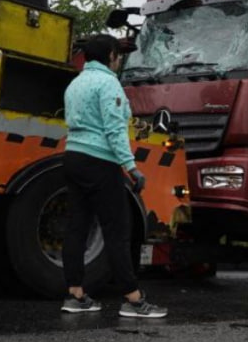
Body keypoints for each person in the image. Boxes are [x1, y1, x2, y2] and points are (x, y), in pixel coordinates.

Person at [59, 34, 167, 318]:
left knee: (76, 228)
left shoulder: (75, 83)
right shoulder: (108, 84)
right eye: (118, 55)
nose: (119, 59)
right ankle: (134, 300)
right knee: (117, 231)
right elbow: (115, 130)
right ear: (110, 55)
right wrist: (131, 168)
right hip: (100, 161)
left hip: (73, 157)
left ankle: (75, 295)